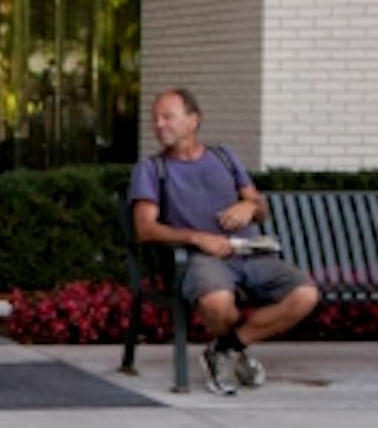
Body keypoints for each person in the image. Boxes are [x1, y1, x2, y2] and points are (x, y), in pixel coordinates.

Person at [131, 87, 321, 394]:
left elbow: (260, 208)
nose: (159, 125)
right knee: (217, 303)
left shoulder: (224, 156)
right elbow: (145, 228)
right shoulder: (152, 169)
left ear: (193, 120)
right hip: (201, 258)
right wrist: (196, 237)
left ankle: (225, 349)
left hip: (249, 253)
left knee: (305, 295)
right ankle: (235, 350)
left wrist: (249, 205)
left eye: (168, 117)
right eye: (156, 119)